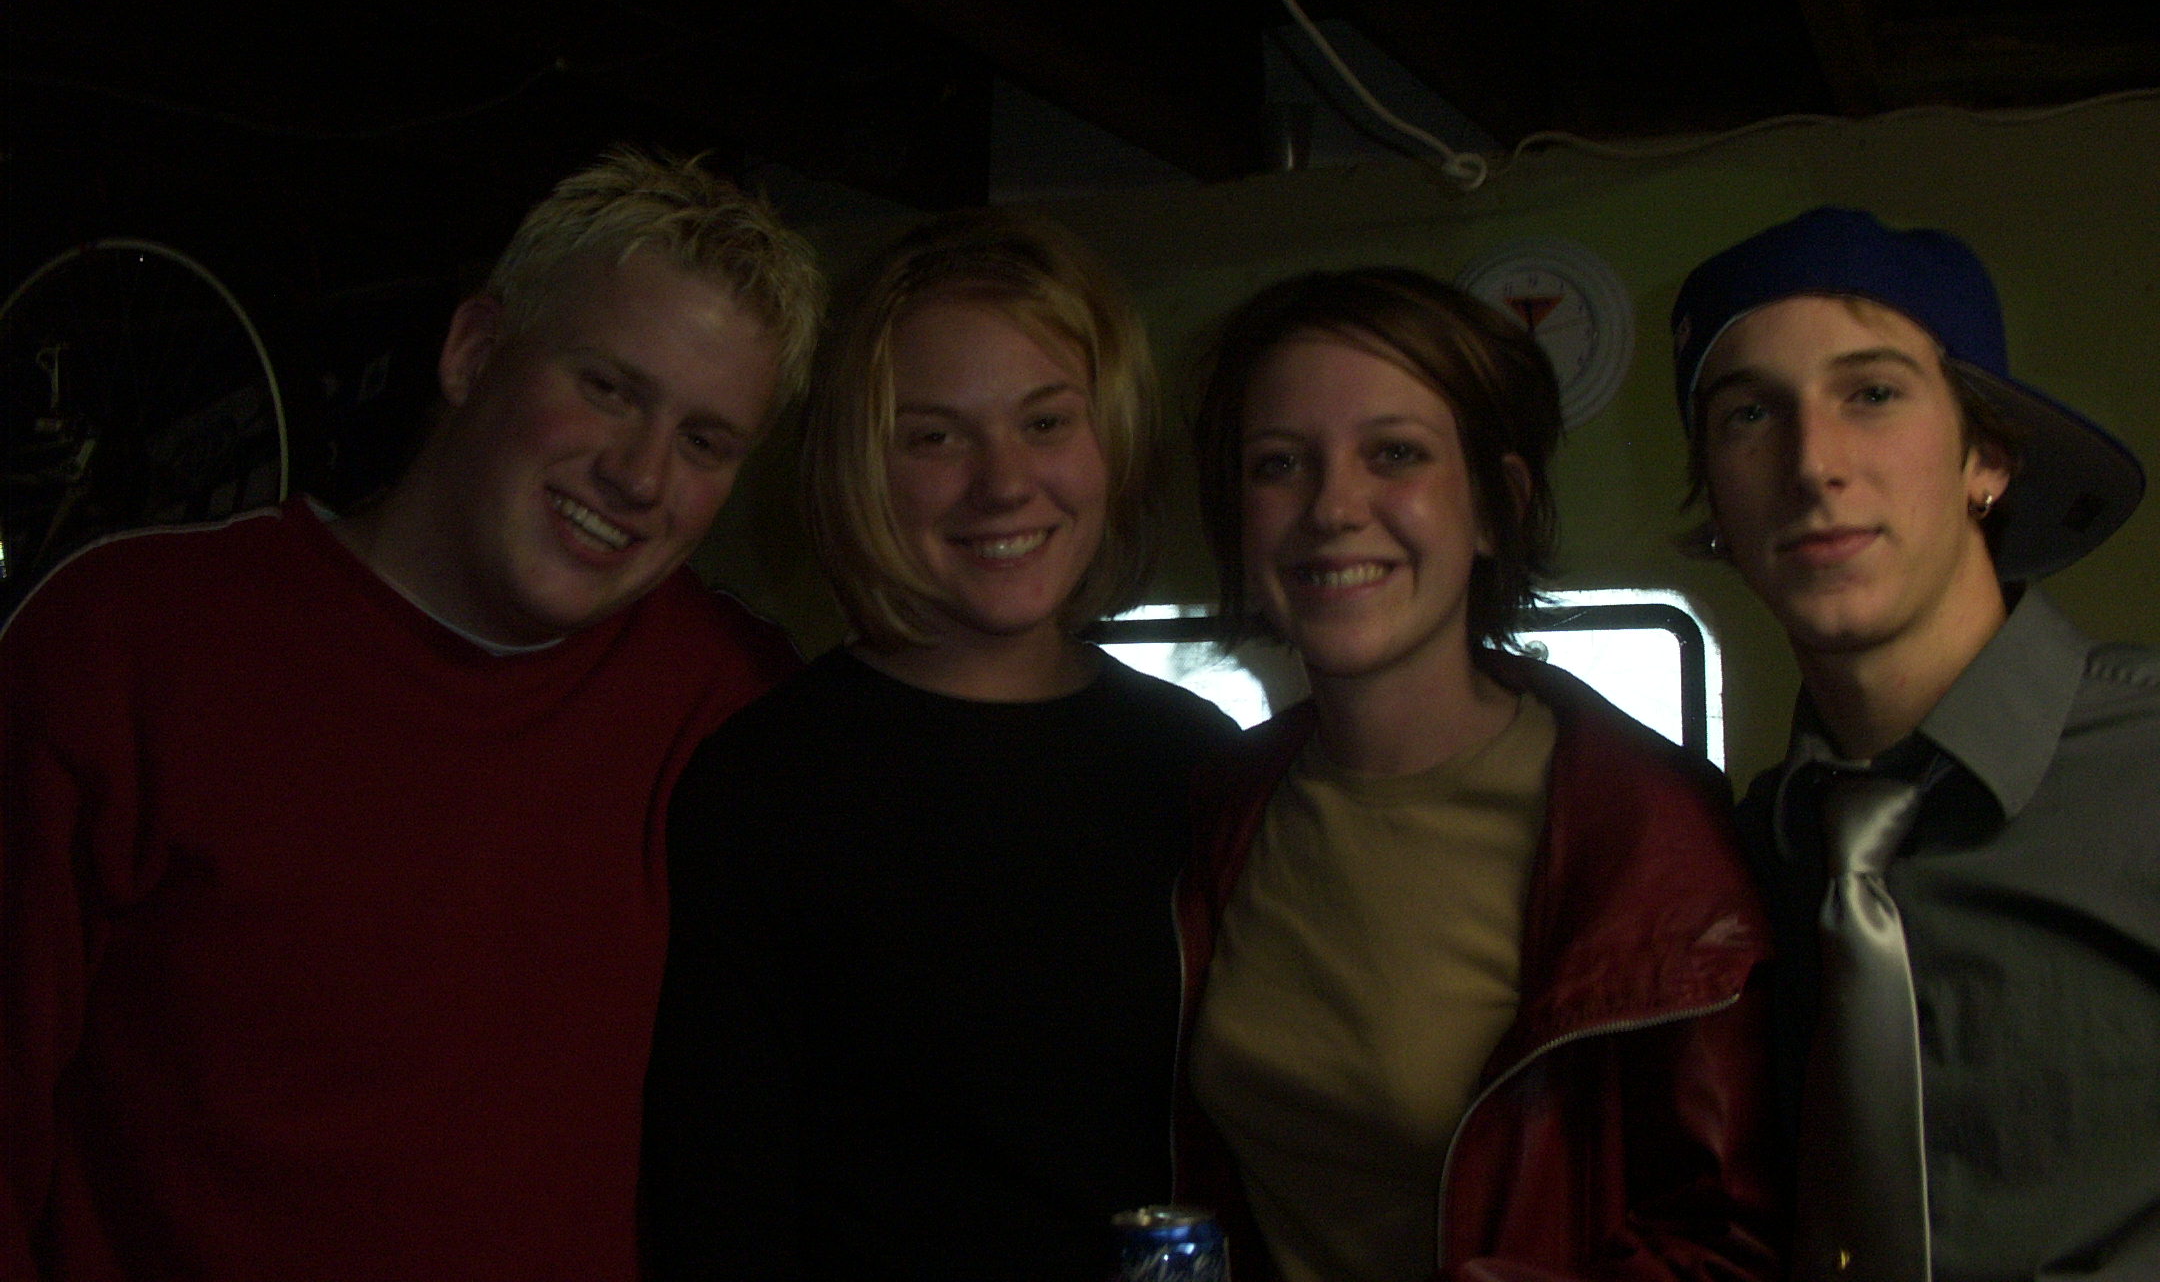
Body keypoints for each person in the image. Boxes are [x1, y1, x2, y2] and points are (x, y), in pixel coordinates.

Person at [1, 147, 826, 1280]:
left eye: (705, 441)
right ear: (474, 349)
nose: (640, 476)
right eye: (607, 388)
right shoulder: (127, 644)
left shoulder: (731, 699)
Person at [640, 209, 1237, 1281]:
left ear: (1113, 438)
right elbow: (716, 1207)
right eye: (934, 437)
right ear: (858, 467)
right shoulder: (764, 783)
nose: (1003, 482)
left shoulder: (1198, 759)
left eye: (1046, 422)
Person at [1176, 268, 1780, 1282]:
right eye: (1279, 464)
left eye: (1395, 453)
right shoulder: (1221, 805)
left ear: (1499, 507)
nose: (1333, 507)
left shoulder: (1648, 834)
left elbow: (1729, 1243)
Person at [1669, 206, 2157, 1281]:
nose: (1813, 464)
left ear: (1989, 457)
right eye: (1750, 414)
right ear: (1717, 509)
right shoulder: (1738, 864)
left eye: (1873, 394)